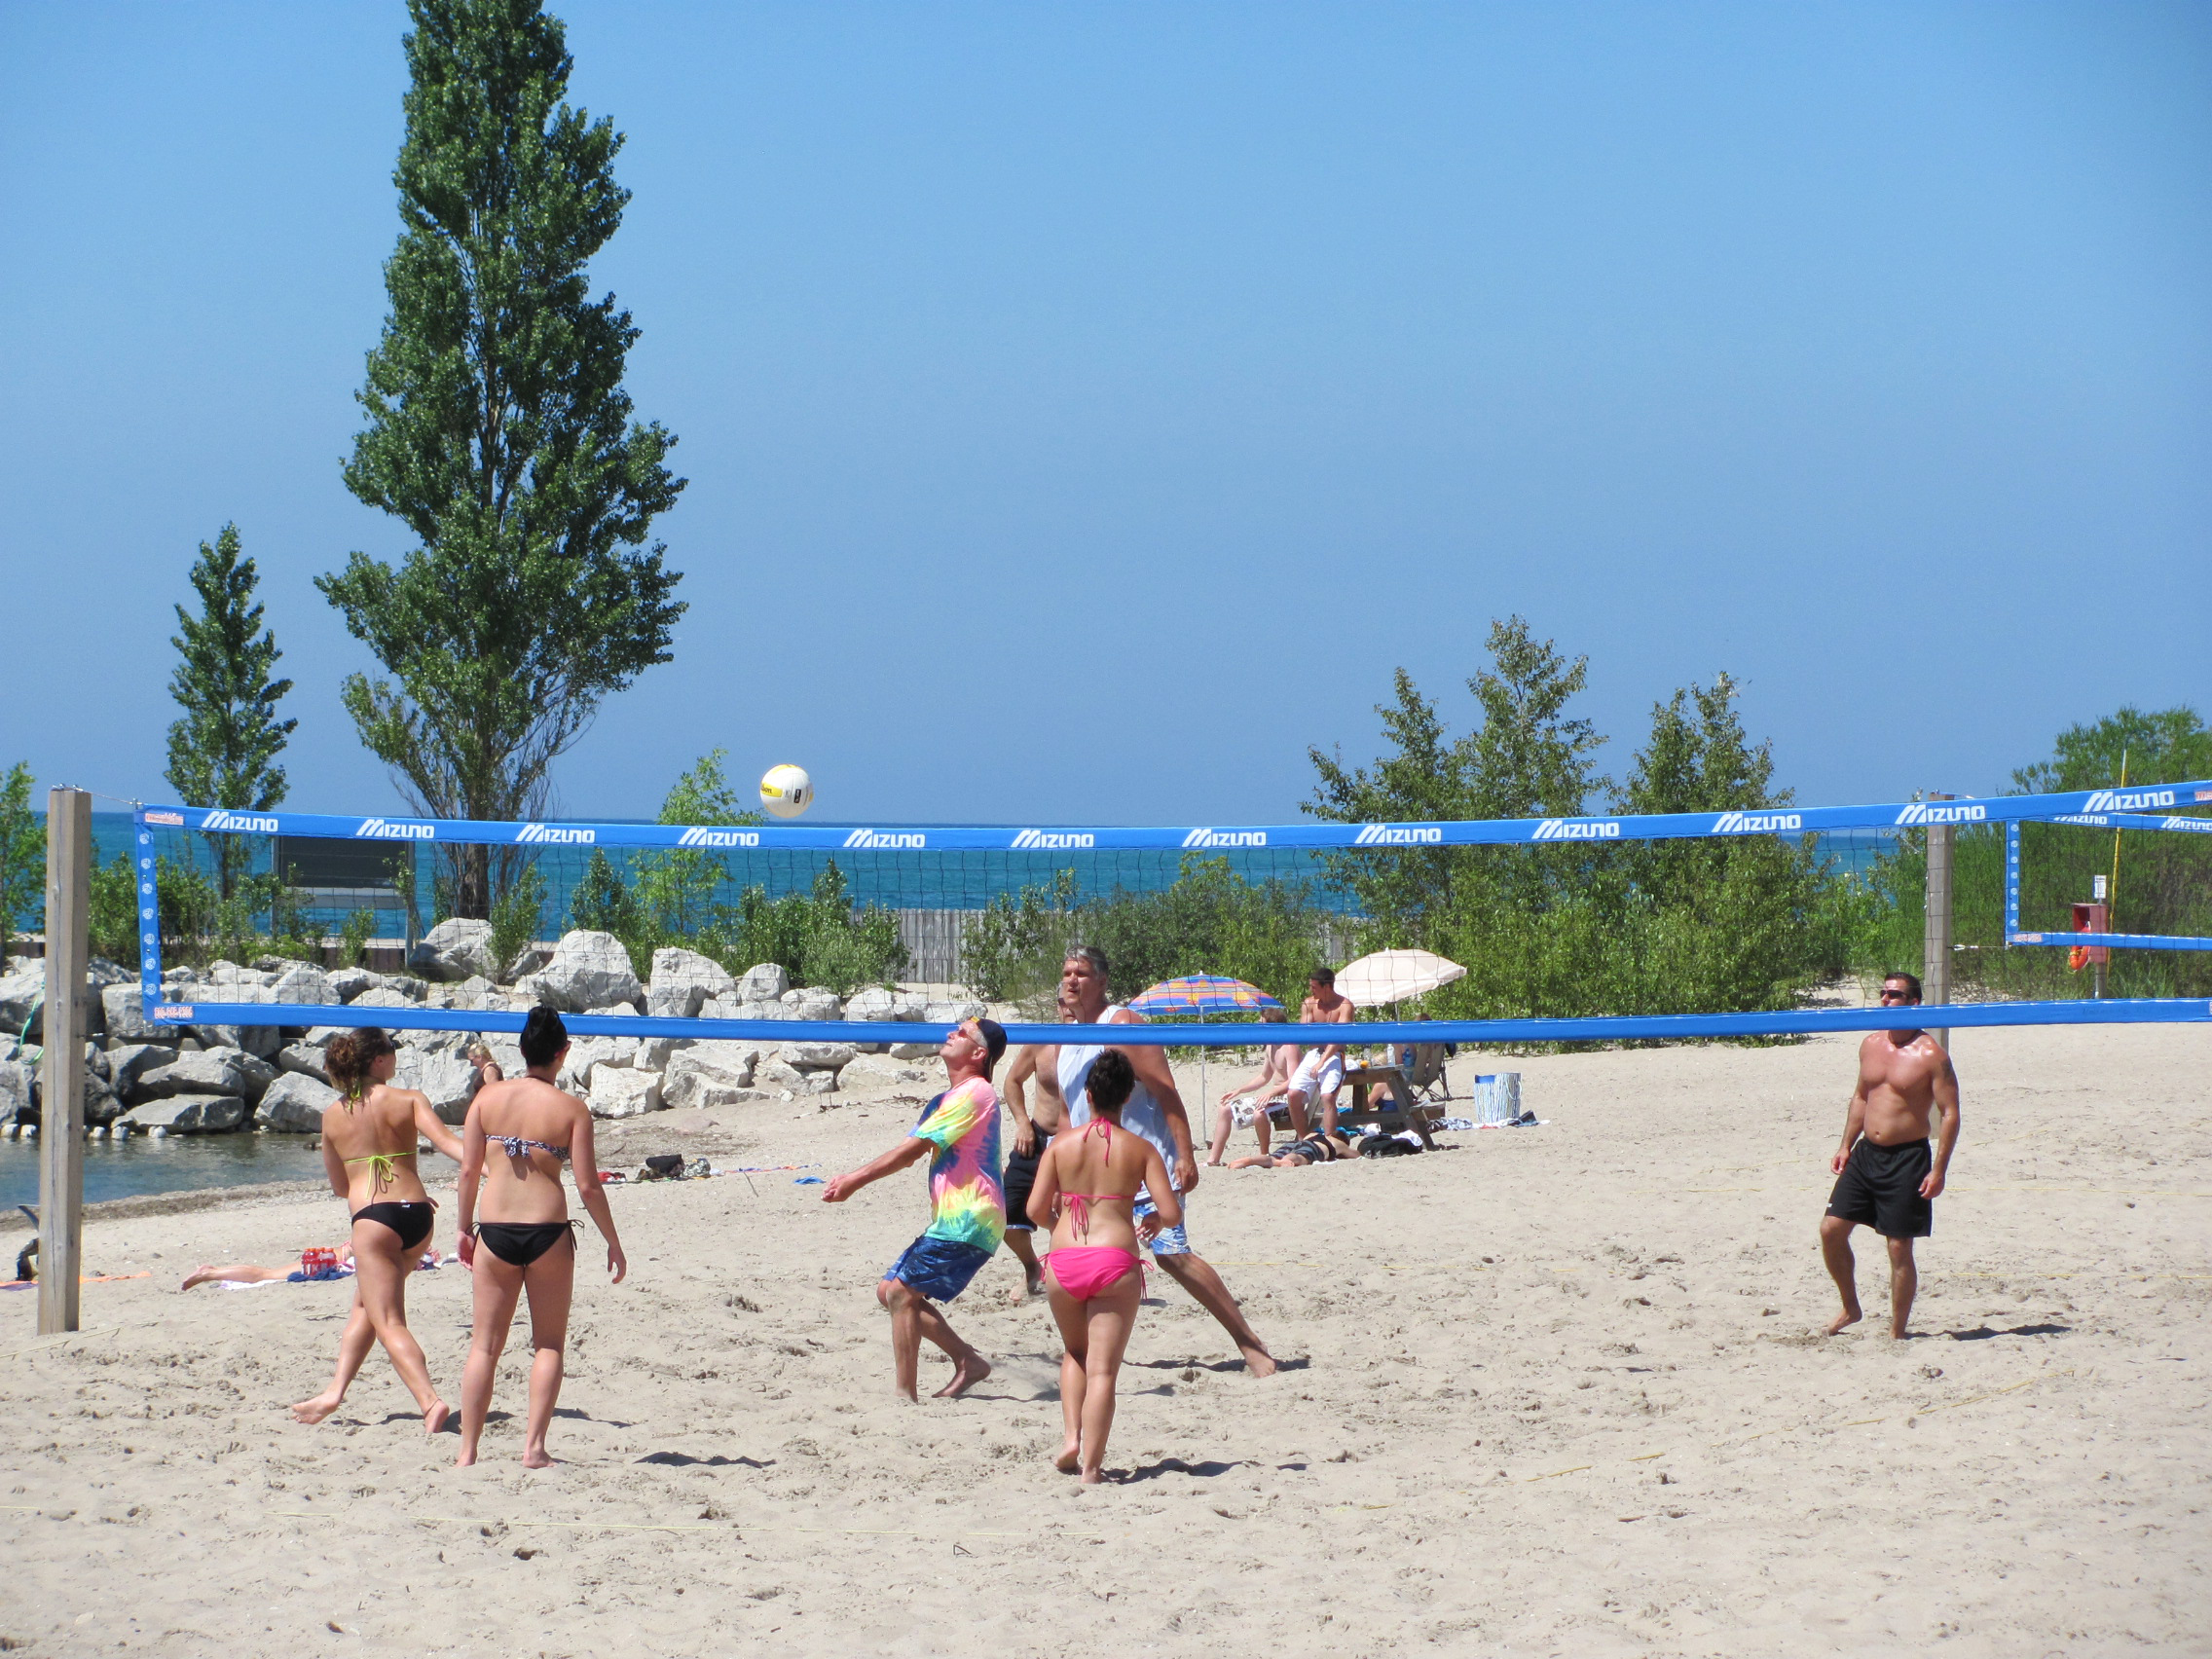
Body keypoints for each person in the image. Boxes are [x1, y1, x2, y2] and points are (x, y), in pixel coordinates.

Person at [1029, 947, 1276, 1378]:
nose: (1071, 980)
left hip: (1143, 1164)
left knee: (1172, 1256)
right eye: (1066, 972)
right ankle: (1088, 1355)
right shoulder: (1063, 1038)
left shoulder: (1123, 1025)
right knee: (1086, 1255)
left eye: (1081, 973)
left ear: (1102, 982)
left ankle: (1249, 1343)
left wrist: (1185, 1155)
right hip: (1091, 1173)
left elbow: (1166, 1092)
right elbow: (1069, 1113)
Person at [454, 1007, 627, 1468]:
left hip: (494, 1230)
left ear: (521, 1050)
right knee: (547, 1344)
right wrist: (613, 1241)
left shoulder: (487, 1102)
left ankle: (467, 1452)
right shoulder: (572, 1109)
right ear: (562, 1053)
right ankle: (533, 1448)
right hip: (548, 1233)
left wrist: (461, 1227)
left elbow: (469, 1171)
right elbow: (589, 1185)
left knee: (484, 1346)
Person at [824, 1017, 1010, 1400]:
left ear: (978, 1053)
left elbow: (909, 1153)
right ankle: (968, 1362)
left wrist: (853, 1181)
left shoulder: (975, 1092)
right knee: (888, 1291)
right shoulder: (947, 1098)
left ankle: (904, 1396)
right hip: (958, 1218)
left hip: (971, 1218)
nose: (949, 1035)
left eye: (960, 1033)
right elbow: (911, 1151)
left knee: (901, 1295)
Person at [289, 1027, 465, 1431]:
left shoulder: (333, 1114)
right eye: (392, 1051)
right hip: (418, 1216)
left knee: (388, 1320)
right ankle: (334, 1392)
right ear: (378, 1060)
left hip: (374, 1220)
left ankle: (430, 1401)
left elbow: (339, 1187)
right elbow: (447, 1143)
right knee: (366, 1308)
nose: (395, 1058)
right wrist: (490, 1169)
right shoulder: (408, 1099)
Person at [1027, 1049, 1180, 1483]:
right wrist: (1151, 1219)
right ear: (1127, 1096)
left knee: (1075, 1354)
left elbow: (1035, 1209)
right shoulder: (1141, 1149)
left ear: (1088, 1094)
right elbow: (1171, 1211)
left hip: (1065, 1259)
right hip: (1115, 1259)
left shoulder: (1061, 1145)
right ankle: (1091, 1468)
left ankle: (1071, 1439)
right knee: (1103, 1370)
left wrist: (1061, 1227)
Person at [1820, 973, 1962, 1339]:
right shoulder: (1870, 1044)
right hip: (1867, 1154)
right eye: (1882, 993)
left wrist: (1939, 1170)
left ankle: (1897, 1333)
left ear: (1914, 1003)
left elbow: (1950, 1114)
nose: (1885, 1000)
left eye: (1894, 995)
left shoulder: (1931, 1055)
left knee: (1898, 1247)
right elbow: (1862, 1096)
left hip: (1908, 1158)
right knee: (1831, 1230)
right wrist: (1845, 1145)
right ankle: (1851, 1308)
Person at [997, 1043, 1064, 1300]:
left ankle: (1062, 1273)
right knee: (1005, 1212)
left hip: (1078, 1137)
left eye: (1076, 999)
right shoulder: (1040, 1042)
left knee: (1068, 1211)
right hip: (1036, 1137)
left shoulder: (1095, 1042)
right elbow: (1013, 1080)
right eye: (1062, 1002)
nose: (1068, 1008)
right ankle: (1032, 1267)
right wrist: (1023, 1122)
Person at [1206, 1008, 1296, 1164]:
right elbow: (1264, 1077)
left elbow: (1295, 1080)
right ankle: (1213, 1160)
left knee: (1259, 1113)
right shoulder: (1270, 1045)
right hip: (1274, 1096)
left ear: (1272, 1025)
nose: (1258, 1026)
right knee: (1225, 1108)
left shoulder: (1289, 1047)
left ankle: (1264, 1155)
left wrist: (1271, 1093)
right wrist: (1239, 1090)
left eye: (1261, 1023)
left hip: (1288, 1098)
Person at [1282, 967, 1356, 1137]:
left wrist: (1322, 1061)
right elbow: (1304, 1032)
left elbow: (1339, 1037)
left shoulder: (1345, 1006)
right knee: (1293, 1095)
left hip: (1335, 1054)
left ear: (1327, 987)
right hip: (1313, 1053)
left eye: (1314, 987)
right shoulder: (1309, 1004)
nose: (1311, 990)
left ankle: (1330, 1141)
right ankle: (1304, 1138)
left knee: (1328, 1097)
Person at [1230, 1126, 1353, 1169]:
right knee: (1300, 1156)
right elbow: (1356, 1155)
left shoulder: (1313, 1134)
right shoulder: (1338, 1143)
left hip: (1297, 1142)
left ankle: (1251, 1160)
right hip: (1314, 1148)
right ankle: (1286, 1160)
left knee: (1272, 1158)